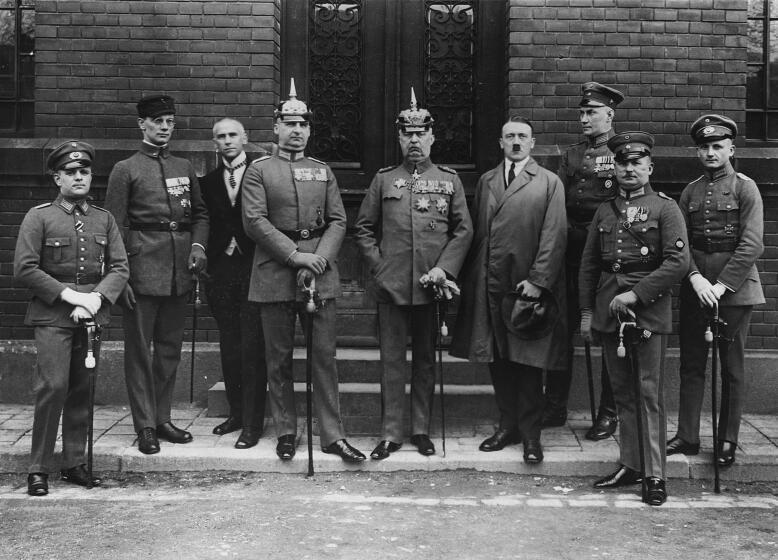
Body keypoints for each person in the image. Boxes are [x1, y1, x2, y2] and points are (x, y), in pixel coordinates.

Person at [241, 80, 365, 463]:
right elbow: (254, 221)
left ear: (310, 129)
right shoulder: (259, 171)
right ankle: (286, 431)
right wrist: (296, 256)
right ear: (276, 127)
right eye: (289, 123)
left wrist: (320, 259)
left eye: (303, 124)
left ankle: (332, 434)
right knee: (277, 358)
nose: (297, 131)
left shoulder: (322, 170)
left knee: (323, 358)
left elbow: (339, 221)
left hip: (320, 273)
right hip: (275, 272)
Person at [355, 89, 473, 460]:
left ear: (433, 137)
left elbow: (463, 230)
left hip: (431, 288)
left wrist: (444, 269)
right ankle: (390, 433)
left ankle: (420, 429)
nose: (415, 140)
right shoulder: (385, 179)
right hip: (391, 287)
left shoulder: (449, 180)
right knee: (391, 361)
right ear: (399, 138)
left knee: (424, 361)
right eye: (408, 134)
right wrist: (380, 267)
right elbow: (363, 228)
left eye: (422, 133)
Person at [579, 131, 689, 506]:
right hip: (610, 311)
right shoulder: (605, 211)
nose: (628, 169)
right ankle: (631, 464)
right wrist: (587, 313)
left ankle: (655, 474)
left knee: (647, 394)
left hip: (648, 311)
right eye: (623, 163)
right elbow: (590, 265)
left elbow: (678, 262)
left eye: (636, 163)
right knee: (624, 393)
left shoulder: (665, 208)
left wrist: (636, 294)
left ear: (649, 167)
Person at [450, 116, 567, 465]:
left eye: (523, 137)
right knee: (498, 358)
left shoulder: (549, 182)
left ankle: (531, 435)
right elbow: (476, 232)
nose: (516, 142)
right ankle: (508, 425)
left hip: (526, 286)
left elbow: (555, 234)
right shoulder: (487, 181)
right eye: (510, 136)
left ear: (532, 144)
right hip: (490, 283)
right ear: (500, 143)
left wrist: (538, 280)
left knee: (528, 361)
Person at [14, 141, 129, 496]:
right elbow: (24, 268)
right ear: (57, 177)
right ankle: (39, 468)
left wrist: (94, 298)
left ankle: (75, 463)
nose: (79, 178)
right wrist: (71, 296)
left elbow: (120, 267)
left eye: (84, 172)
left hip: (91, 315)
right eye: (71, 173)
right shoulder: (40, 216)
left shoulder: (104, 219)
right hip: (52, 317)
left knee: (82, 389)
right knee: (53, 387)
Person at [104, 95, 209, 455]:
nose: (165, 127)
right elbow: (113, 226)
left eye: (169, 121)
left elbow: (200, 215)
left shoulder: (183, 166)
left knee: (169, 350)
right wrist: (121, 279)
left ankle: (162, 418)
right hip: (140, 271)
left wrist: (198, 248)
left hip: (180, 271)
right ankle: (145, 425)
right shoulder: (126, 169)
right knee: (139, 352)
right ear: (142, 125)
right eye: (157, 121)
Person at [666, 114, 764, 467]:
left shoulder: (745, 188)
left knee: (731, 367)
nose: (710, 152)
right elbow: (679, 244)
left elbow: (752, 244)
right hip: (696, 288)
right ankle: (687, 435)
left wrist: (722, 286)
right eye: (704, 147)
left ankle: (727, 440)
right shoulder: (690, 191)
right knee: (691, 364)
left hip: (734, 291)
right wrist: (693, 277)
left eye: (717, 146)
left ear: (731, 149)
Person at [546, 82, 624, 439]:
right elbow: (558, 202)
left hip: (607, 252)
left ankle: (609, 412)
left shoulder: (624, 152)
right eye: (581, 112)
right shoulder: (573, 155)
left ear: (610, 114)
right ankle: (554, 405)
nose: (584, 118)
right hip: (572, 249)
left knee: (607, 329)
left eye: (591, 112)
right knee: (562, 329)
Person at [201, 118, 268, 449]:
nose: (227, 141)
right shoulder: (209, 181)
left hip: (254, 268)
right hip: (221, 272)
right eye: (220, 136)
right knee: (229, 343)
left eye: (232, 135)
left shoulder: (261, 173)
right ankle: (237, 413)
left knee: (253, 346)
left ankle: (254, 423)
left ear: (245, 138)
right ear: (214, 142)